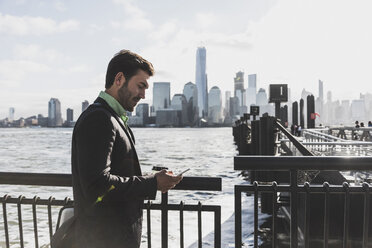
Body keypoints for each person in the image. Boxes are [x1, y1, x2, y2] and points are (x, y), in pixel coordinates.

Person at [71, 50, 182, 248]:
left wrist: (152, 177)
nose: (143, 95)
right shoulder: (100, 119)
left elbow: (116, 173)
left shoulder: (110, 117)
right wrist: (152, 184)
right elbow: (97, 185)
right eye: (141, 86)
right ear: (119, 79)